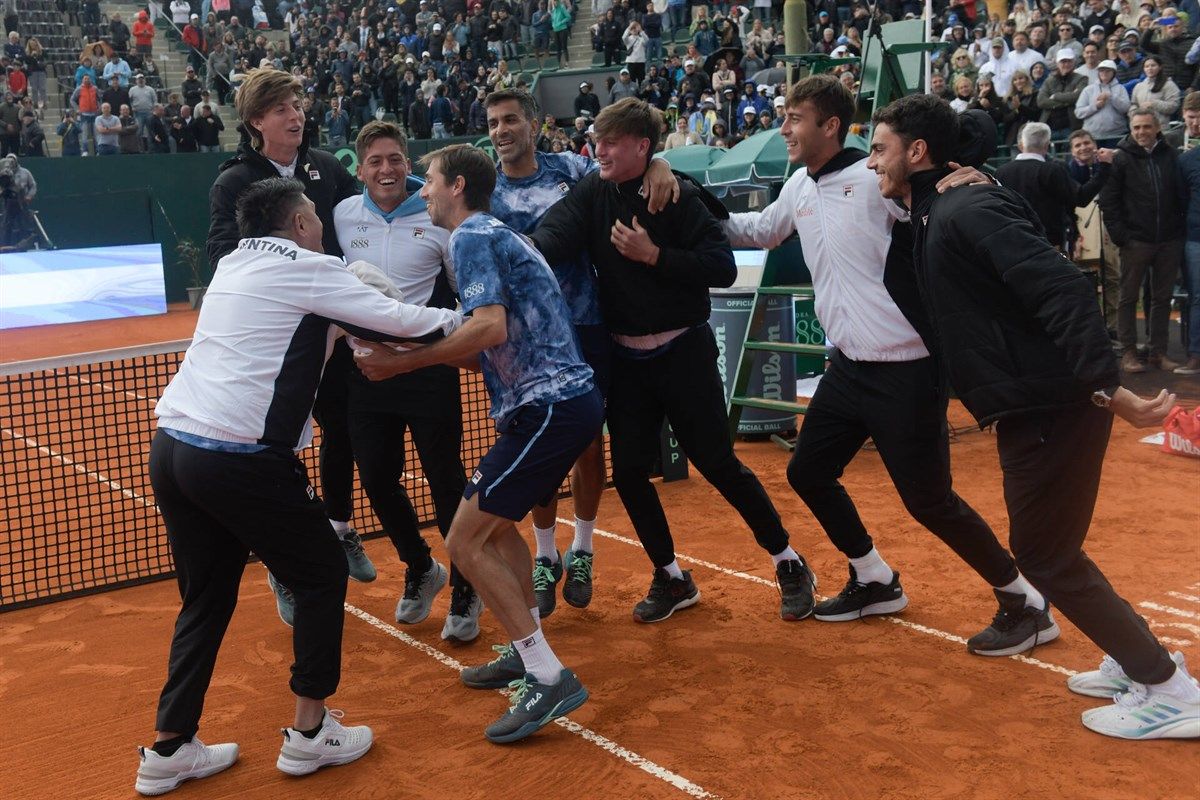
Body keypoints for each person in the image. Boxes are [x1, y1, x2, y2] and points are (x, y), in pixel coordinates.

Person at [866, 91, 1199, 742]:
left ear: (918, 151)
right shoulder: (939, 209)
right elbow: (923, 289)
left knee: (1044, 555)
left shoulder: (967, 205)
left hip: (1055, 401)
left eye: (880, 149)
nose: (871, 162)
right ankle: (1142, 665)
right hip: (1033, 399)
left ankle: (1167, 687)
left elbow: (1063, 288)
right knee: (1054, 549)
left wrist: (1109, 390)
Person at [136, 177, 463, 796]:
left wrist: (347, 318)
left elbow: (316, 328)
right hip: (241, 458)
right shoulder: (313, 268)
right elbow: (405, 323)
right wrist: (472, 319)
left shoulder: (233, 262)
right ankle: (310, 736)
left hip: (173, 449)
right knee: (320, 574)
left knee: (205, 598)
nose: (320, 225)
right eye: (313, 216)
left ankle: (170, 748)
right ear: (297, 225)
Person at [725, 74, 1053, 651]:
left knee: (929, 501)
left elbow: (941, 201)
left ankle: (1025, 600)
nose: (783, 129)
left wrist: (974, 174)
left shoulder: (881, 180)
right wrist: (678, 200)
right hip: (848, 366)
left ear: (829, 125)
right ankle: (874, 577)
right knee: (807, 471)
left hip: (909, 367)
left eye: (794, 118)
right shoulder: (799, 184)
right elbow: (755, 229)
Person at [530, 98, 817, 623]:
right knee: (633, 474)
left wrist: (654, 255)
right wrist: (517, 252)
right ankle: (670, 576)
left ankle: (789, 561)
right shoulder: (592, 191)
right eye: (597, 139)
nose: (600, 150)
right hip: (627, 361)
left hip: (683, 352)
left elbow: (722, 267)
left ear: (643, 147)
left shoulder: (678, 193)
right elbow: (554, 235)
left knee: (718, 463)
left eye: (611, 142)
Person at [355, 143, 600, 744]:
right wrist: (409, 352)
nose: (423, 193)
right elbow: (494, 343)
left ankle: (547, 675)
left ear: (458, 186)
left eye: (431, 183)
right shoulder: (493, 233)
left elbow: (486, 327)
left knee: (463, 539)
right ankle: (527, 650)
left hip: (548, 405)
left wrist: (399, 365)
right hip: (552, 405)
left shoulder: (468, 239)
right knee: (495, 529)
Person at [483, 89, 677, 617]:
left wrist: (660, 161)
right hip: (520, 343)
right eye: (494, 122)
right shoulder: (485, 188)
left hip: (585, 328)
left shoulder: (572, 168)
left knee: (589, 443)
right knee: (539, 449)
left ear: (536, 123)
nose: (502, 130)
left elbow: (626, 164)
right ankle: (546, 557)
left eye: (511, 120)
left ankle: (583, 549)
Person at [206, 68, 365, 625]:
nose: (295, 114)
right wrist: (300, 273)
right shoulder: (235, 180)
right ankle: (282, 563)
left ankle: (340, 527)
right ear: (256, 121)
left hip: (334, 325)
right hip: (279, 337)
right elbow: (223, 250)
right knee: (283, 446)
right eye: (281, 108)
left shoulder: (325, 167)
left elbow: (362, 214)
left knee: (343, 426)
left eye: (297, 103)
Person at [332, 121, 482, 642]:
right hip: (367, 370)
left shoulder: (437, 212)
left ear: (408, 163)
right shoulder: (343, 215)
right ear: (360, 168)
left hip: (427, 368)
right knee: (374, 477)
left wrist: (446, 342)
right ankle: (421, 567)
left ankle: (466, 583)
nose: (387, 169)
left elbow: (466, 291)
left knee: (445, 480)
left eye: (395, 158)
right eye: (375, 161)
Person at [1100, 109, 1186, 373]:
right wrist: (1123, 237)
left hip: (1168, 241)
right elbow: (1109, 203)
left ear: (1157, 128)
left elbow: (1181, 195)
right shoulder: (1121, 159)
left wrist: (1177, 230)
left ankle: (1158, 352)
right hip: (1135, 241)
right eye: (1136, 127)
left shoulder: (1171, 156)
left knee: (1161, 298)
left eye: (1146, 127)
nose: (1141, 132)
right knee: (1128, 298)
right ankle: (1128, 353)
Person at [995, 122, 1113, 252]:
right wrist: (1105, 167)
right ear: (1047, 145)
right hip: (1048, 245)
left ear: (1022, 144)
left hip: (1012, 242)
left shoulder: (1001, 172)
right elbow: (1081, 198)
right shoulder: (1052, 170)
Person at [1177, 93, 1200, 376]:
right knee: (1198, 297)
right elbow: (1181, 201)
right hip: (1196, 236)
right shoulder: (1186, 161)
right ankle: (1196, 355)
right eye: (1191, 117)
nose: (1195, 123)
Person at [1038, 50, 1088, 138]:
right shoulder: (1049, 80)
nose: (1066, 64)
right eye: (1063, 61)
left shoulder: (1081, 79)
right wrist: (1067, 101)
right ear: (1057, 63)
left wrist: (1055, 96)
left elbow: (1077, 96)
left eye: (1069, 61)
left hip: (1071, 126)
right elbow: (1041, 102)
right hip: (1049, 127)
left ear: (1074, 62)